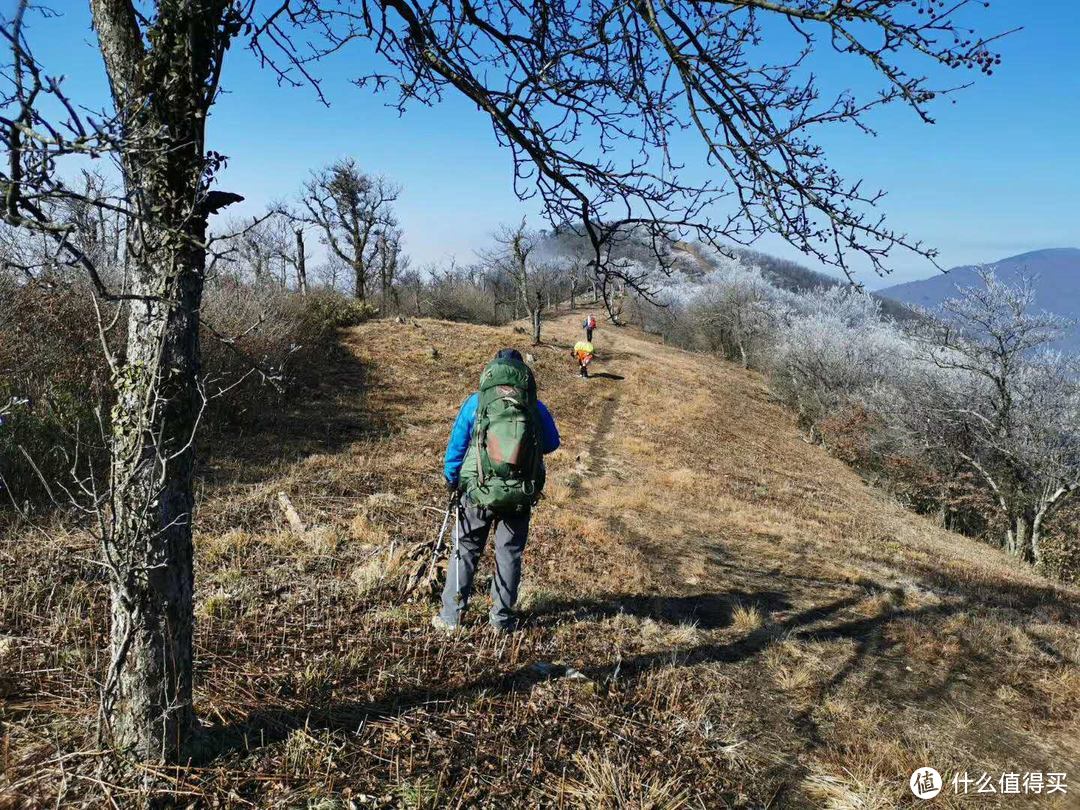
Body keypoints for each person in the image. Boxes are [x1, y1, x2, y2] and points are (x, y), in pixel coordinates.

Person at [436, 349, 560, 633]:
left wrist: (451, 478)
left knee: (466, 550)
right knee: (509, 554)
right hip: (519, 495)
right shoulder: (533, 406)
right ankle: (501, 621)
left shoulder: (477, 402)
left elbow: (456, 445)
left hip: (477, 491)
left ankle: (451, 619)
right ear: (522, 374)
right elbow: (552, 443)